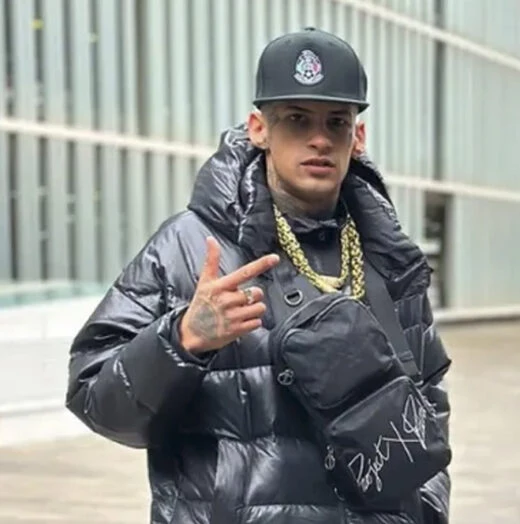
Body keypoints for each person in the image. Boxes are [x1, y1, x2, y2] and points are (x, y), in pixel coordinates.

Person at [65, 27, 452, 524]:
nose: (319, 139)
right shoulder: (188, 247)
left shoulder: (389, 256)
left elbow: (428, 397)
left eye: (336, 122)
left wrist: (427, 507)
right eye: (296, 119)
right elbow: (97, 400)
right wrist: (181, 340)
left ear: (357, 138)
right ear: (258, 129)